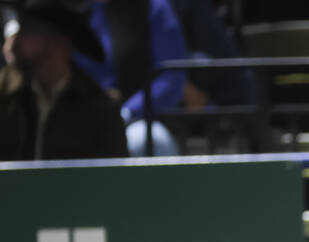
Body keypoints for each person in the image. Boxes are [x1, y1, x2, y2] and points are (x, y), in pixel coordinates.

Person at [0, 0, 128, 161]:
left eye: (28, 29)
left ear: (57, 42)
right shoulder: (4, 95)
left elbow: (111, 179)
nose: (15, 41)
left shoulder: (98, 109)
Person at [75, 0, 187, 156]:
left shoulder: (153, 7)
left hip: (134, 120)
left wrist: (127, 112)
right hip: (77, 118)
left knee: (151, 140)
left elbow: (172, 79)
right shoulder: (70, 10)